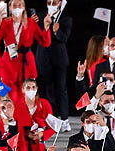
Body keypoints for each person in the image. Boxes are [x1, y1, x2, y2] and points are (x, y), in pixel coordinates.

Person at [0, 0, 52, 99]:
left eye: (20, 5)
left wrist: (46, 27)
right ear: (9, 8)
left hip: (26, 62)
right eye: (14, 5)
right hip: (8, 61)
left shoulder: (31, 22)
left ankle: (26, 113)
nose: (17, 7)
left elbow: (45, 42)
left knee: (26, 94)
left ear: (24, 7)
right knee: (6, 93)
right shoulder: (5, 23)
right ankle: (6, 113)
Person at [36, 0, 72, 130]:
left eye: (54, 2)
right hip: (43, 59)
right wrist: (43, 26)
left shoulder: (66, 19)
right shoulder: (40, 17)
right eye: (49, 2)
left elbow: (65, 38)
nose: (51, 4)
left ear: (60, 3)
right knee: (48, 90)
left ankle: (65, 118)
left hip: (59, 59)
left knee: (61, 89)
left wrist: (57, 32)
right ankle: (54, 118)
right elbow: (35, 35)